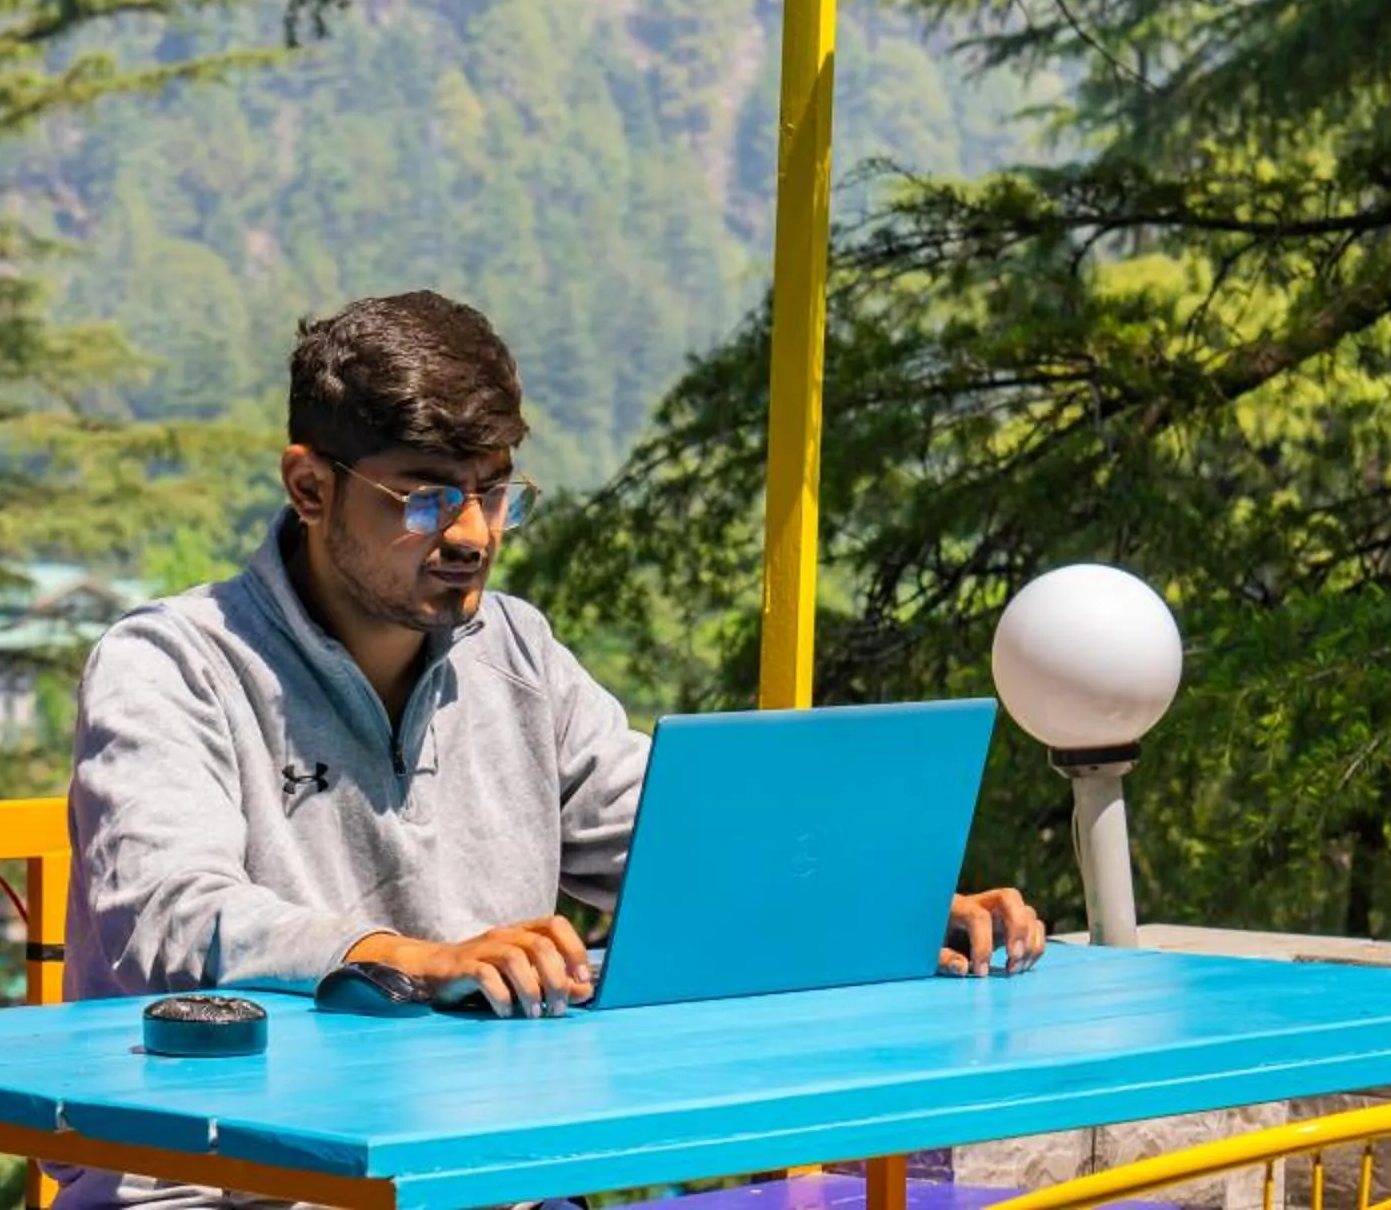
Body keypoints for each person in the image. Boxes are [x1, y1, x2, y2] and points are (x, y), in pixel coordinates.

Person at [59, 290, 1047, 1207]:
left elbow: (670, 839)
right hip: (223, 1180)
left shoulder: (517, 651)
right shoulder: (171, 662)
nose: (472, 532)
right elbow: (167, 915)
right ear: (308, 485)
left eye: (494, 491)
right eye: (424, 496)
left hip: (484, 1172)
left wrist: (879, 906)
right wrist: (411, 958)